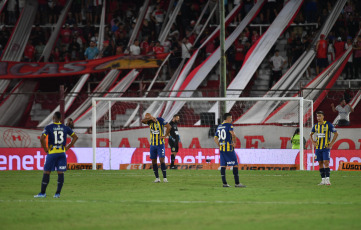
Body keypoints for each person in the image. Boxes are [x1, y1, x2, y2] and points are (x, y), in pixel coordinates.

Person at [34, 112, 78, 198]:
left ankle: (42, 193)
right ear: (61, 118)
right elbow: (75, 137)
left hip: (52, 153)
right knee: (60, 173)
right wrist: (68, 147)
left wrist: (46, 149)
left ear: (53, 117)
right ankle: (57, 194)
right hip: (62, 153)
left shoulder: (49, 127)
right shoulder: (65, 128)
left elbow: (42, 138)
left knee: (47, 172)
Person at [214, 113, 246, 188]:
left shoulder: (219, 126)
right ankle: (237, 183)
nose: (231, 120)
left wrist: (219, 145)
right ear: (228, 119)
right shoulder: (229, 125)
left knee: (223, 166)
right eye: (231, 118)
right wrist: (234, 142)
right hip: (229, 148)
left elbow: (215, 138)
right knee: (235, 164)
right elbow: (233, 134)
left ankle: (224, 183)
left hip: (222, 149)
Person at [310, 111, 338, 186]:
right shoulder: (315, 126)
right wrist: (313, 142)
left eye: (319, 116)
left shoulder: (328, 124)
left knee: (326, 162)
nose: (318, 118)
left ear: (323, 117)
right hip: (318, 148)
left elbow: (336, 133)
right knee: (320, 163)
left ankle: (328, 180)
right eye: (317, 116)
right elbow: (311, 134)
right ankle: (323, 180)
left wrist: (331, 143)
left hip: (325, 147)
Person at [141, 113, 172, 183]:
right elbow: (142, 121)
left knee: (162, 160)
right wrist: (150, 119)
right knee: (153, 162)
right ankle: (157, 178)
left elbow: (169, 127)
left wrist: (165, 136)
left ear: (150, 116)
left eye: (147, 118)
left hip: (160, 144)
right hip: (152, 145)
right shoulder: (149, 122)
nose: (146, 120)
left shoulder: (160, 120)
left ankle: (165, 178)